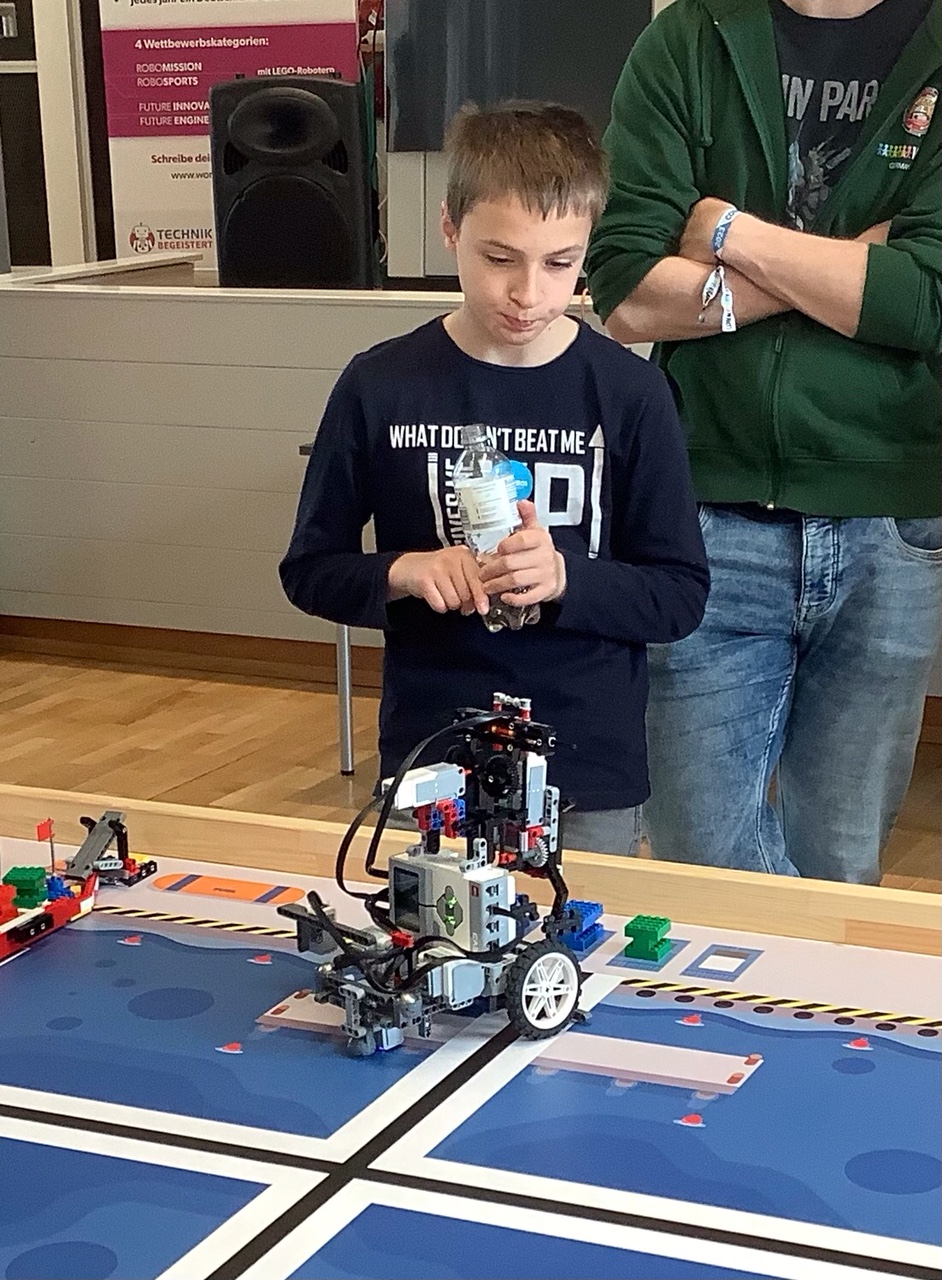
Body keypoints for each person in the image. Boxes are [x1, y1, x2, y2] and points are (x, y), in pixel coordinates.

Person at [280, 102, 709, 855]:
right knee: (435, 924)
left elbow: (679, 595)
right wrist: (405, 572)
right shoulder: (380, 385)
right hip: (434, 756)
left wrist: (565, 578)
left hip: (587, 764)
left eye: (560, 264)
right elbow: (310, 570)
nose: (529, 294)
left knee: (576, 929)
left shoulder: (632, 394)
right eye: (500, 259)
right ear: (450, 228)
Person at [586, 0, 942, 882]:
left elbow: (927, 303)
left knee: (841, 866)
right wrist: (852, 263)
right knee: (700, 867)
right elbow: (626, 292)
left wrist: (728, 235)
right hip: (703, 515)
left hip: (891, 521)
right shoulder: (689, 37)